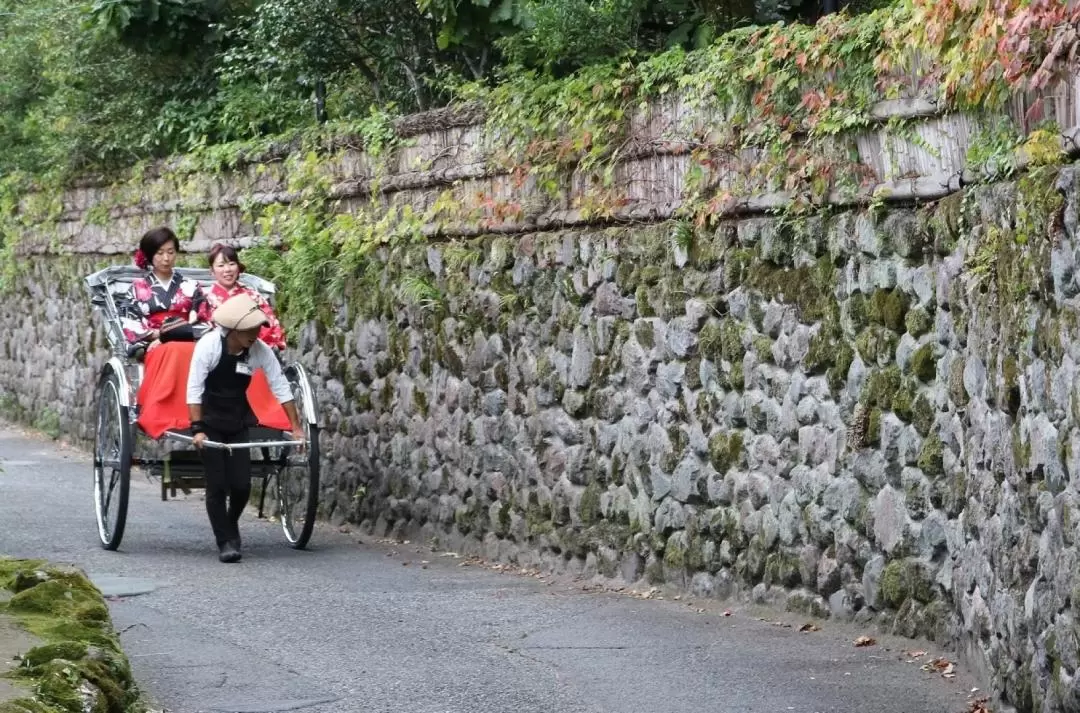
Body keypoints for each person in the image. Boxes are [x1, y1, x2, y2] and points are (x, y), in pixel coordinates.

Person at [186, 293, 306, 563]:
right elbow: (193, 388)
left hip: (238, 419)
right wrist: (197, 429)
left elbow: (280, 386)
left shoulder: (259, 350)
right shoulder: (209, 346)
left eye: (258, 328)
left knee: (240, 486)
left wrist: (296, 427)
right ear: (235, 329)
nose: (256, 334)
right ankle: (225, 542)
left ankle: (230, 524)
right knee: (217, 485)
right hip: (210, 423)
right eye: (250, 329)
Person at [121, 227, 211, 357]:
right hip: (154, 344)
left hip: (188, 341)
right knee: (167, 351)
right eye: (160, 253)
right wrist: (161, 335)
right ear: (150, 255)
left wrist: (173, 333)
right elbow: (131, 325)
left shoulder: (191, 285)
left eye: (170, 252)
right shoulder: (136, 289)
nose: (166, 258)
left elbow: (204, 319)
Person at [198, 243, 286, 351]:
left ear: (238, 267)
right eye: (221, 265)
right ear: (212, 271)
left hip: (255, 351)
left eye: (231, 264)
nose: (227, 269)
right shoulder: (203, 298)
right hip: (216, 352)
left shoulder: (253, 296)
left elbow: (270, 324)